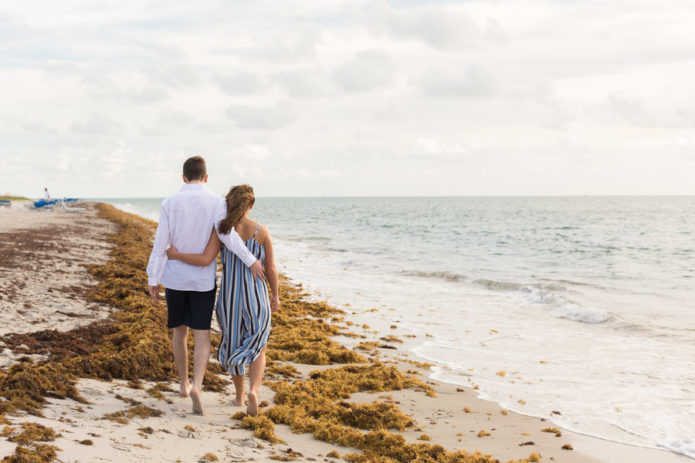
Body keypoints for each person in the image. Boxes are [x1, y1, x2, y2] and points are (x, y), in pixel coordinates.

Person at [146, 157, 265, 415]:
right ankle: (198, 385)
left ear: (183, 177)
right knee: (202, 334)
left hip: (175, 279)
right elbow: (226, 236)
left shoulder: (169, 202)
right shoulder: (216, 202)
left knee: (179, 333)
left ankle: (183, 384)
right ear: (207, 177)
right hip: (202, 282)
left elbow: (161, 242)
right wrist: (252, 260)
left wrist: (152, 278)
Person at [166, 184, 279, 416]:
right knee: (260, 346)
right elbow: (271, 268)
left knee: (234, 341)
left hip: (229, 298)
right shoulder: (262, 231)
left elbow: (205, 258)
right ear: (251, 205)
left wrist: (176, 255)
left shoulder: (223, 231)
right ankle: (254, 391)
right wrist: (275, 295)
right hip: (256, 295)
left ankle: (238, 397)